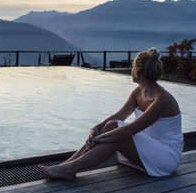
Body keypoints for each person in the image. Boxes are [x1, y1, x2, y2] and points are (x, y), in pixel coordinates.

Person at [38, 48, 183, 180]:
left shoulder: (162, 100)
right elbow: (117, 117)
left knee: (117, 135)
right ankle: (67, 165)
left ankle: (69, 169)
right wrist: (95, 129)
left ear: (137, 73)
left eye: (132, 67)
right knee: (111, 125)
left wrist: (100, 138)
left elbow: (130, 130)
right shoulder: (138, 93)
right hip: (148, 146)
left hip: (166, 157)